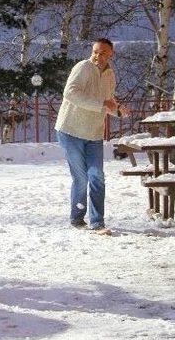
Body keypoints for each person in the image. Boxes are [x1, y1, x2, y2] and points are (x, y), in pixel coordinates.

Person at [55, 38, 129, 235]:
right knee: (80, 178)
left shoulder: (110, 75)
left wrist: (118, 110)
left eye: (103, 52)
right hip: (70, 130)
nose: (98, 56)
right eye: (95, 51)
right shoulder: (82, 67)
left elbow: (108, 102)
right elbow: (70, 93)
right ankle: (77, 217)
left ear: (110, 55)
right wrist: (101, 105)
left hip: (94, 133)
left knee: (97, 176)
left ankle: (97, 222)